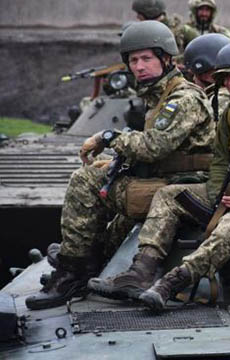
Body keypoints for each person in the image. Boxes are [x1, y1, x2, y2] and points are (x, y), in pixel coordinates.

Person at [90, 42, 230, 309]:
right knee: (169, 195)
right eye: (226, 76)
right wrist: (217, 193)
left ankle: (174, 281)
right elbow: (219, 160)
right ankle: (141, 271)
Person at [25, 21, 217, 310]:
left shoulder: (183, 98)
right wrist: (116, 161)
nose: (139, 66)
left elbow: (154, 146)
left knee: (84, 181)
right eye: (133, 60)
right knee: (100, 176)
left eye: (146, 58)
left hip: (186, 190)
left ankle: (71, 273)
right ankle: (85, 259)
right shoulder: (161, 95)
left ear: (166, 59)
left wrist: (107, 137)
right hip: (172, 180)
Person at [132, 0, 199, 52]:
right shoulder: (141, 33)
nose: (137, 17)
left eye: (139, 13)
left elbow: (198, 50)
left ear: (149, 13)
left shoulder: (182, 31)